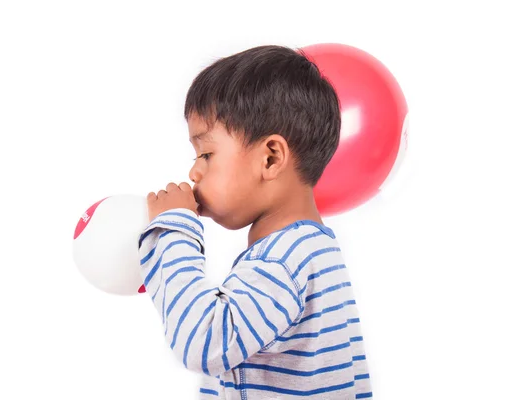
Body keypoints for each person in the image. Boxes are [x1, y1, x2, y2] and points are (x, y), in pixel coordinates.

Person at [138, 45, 372, 399]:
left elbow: (201, 342)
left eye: (206, 154)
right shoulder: (310, 249)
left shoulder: (283, 260)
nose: (194, 171)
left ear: (270, 158)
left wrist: (172, 230)